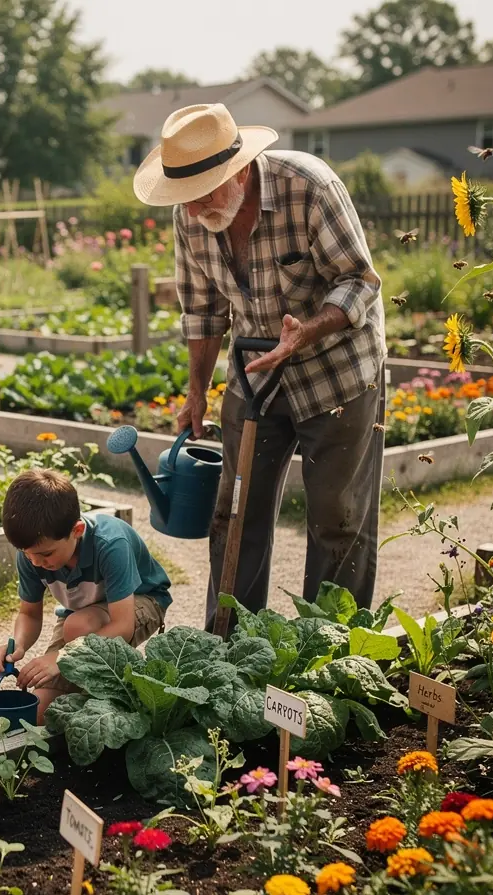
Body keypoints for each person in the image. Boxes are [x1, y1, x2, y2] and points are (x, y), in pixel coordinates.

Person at [133, 102, 386, 628]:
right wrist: (196, 392)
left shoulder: (309, 187)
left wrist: (306, 332)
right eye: (185, 196)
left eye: (204, 191)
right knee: (234, 513)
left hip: (336, 371)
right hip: (255, 374)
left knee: (337, 518)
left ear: (240, 169)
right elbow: (202, 311)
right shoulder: (192, 216)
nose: (196, 208)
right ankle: (229, 646)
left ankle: (330, 653)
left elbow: (360, 280)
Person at [0, 469, 171, 722]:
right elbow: (28, 613)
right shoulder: (33, 555)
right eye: (27, 553)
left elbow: (123, 626)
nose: (36, 562)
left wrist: (62, 657)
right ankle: (92, 692)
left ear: (76, 530)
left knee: (77, 627)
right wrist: (18, 644)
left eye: (45, 554)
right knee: (40, 714)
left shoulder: (111, 544)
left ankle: (119, 691)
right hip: (81, 615)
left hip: (140, 603)